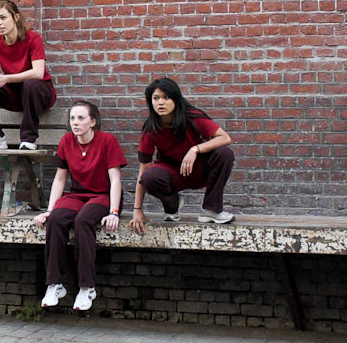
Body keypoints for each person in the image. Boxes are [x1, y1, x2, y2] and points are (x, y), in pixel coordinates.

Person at [33, 101, 125, 312]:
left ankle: (87, 287)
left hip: (102, 196)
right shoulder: (67, 141)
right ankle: (55, 284)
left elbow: (115, 180)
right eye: (73, 118)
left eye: (81, 118)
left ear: (93, 122)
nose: (76, 123)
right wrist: (49, 210)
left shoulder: (107, 141)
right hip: (77, 195)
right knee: (56, 219)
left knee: (83, 220)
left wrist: (114, 211)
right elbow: (59, 180)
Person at [129, 78, 236, 231]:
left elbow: (225, 138)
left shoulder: (192, 116)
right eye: (156, 98)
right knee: (149, 177)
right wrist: (137, 210)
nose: (161, 103)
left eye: (166, 97)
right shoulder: (150, 129)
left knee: (224, 153)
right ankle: (172, 206)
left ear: (176, 99)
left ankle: (211, 210)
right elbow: (143, 169)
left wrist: (195, 149)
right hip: (171, 173)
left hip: (198, 169)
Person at [0, 0, 55, 150]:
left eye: (3, 18)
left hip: (39, 94)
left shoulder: (32, 38)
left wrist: (7, 78)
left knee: (30, 84)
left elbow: (38, 72)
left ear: (16, 18)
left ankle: (28, 140)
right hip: (15, 96)